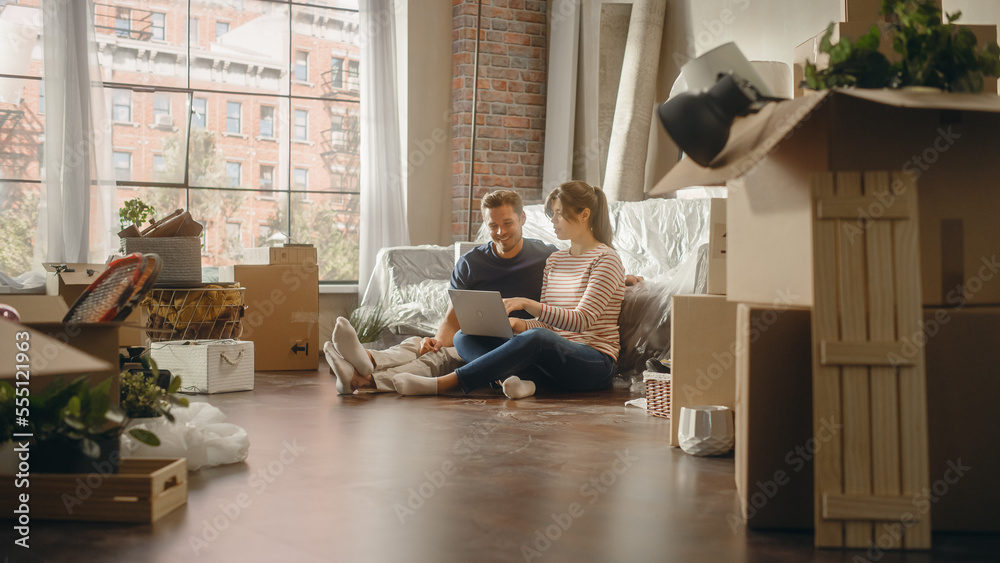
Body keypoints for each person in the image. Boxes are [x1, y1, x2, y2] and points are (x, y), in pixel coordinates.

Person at [388, 181, 625, 399]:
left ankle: (446, 383)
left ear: (584, 215)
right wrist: (518, 325)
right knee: (465, 337)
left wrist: (527, 305)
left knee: (538, 339)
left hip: (593, 364)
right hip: (554, 366)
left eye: (559, 214)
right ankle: (523, 382)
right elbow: (548, 325)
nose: (553, 220)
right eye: (552, 213)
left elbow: (581, 321)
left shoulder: (606, 260)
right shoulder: (555, 260)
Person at [325, 189, 558, 394]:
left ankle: (361, 372)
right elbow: (452, 315)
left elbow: (560, 310)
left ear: (522, 218)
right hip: (478, 340)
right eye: (493, 226)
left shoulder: (547, 257)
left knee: (447, 357)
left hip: (522, 343)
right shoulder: (471, 263)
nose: (500, 232)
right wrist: (436, 340)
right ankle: (365, 364)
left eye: (507, 223)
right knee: (428, 347)